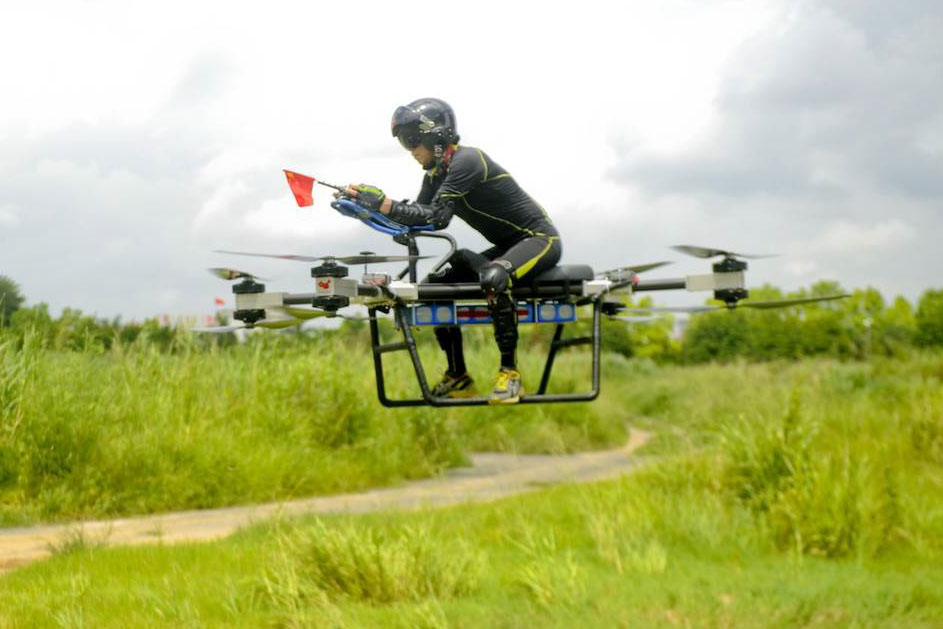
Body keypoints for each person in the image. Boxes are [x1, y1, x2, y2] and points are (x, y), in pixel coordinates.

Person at [343, 98, 561, 405]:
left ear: (436, 136)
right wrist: (364, 204)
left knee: (495, 276)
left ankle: (510, 375)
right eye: (405, 143)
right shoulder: (435, 175)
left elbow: (437, 217)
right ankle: (458, 374)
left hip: (539, 239)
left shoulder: (467, 160)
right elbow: (416, 217)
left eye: (412, 140)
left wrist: (385, 204)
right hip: (509, 247)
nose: (410, 150)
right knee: (434, 286)